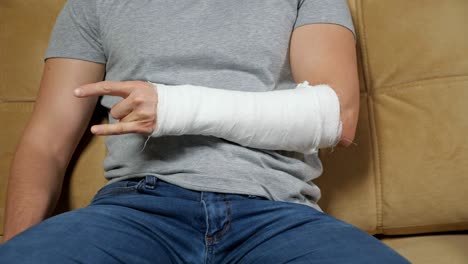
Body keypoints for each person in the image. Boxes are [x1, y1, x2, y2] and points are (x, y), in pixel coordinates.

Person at [0, 0, 410, 263]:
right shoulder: (91, 5)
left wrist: (177, 107)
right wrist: (15, 244)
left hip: (275, 210)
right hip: (137, 208)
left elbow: (335, 114)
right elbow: (46, 142)